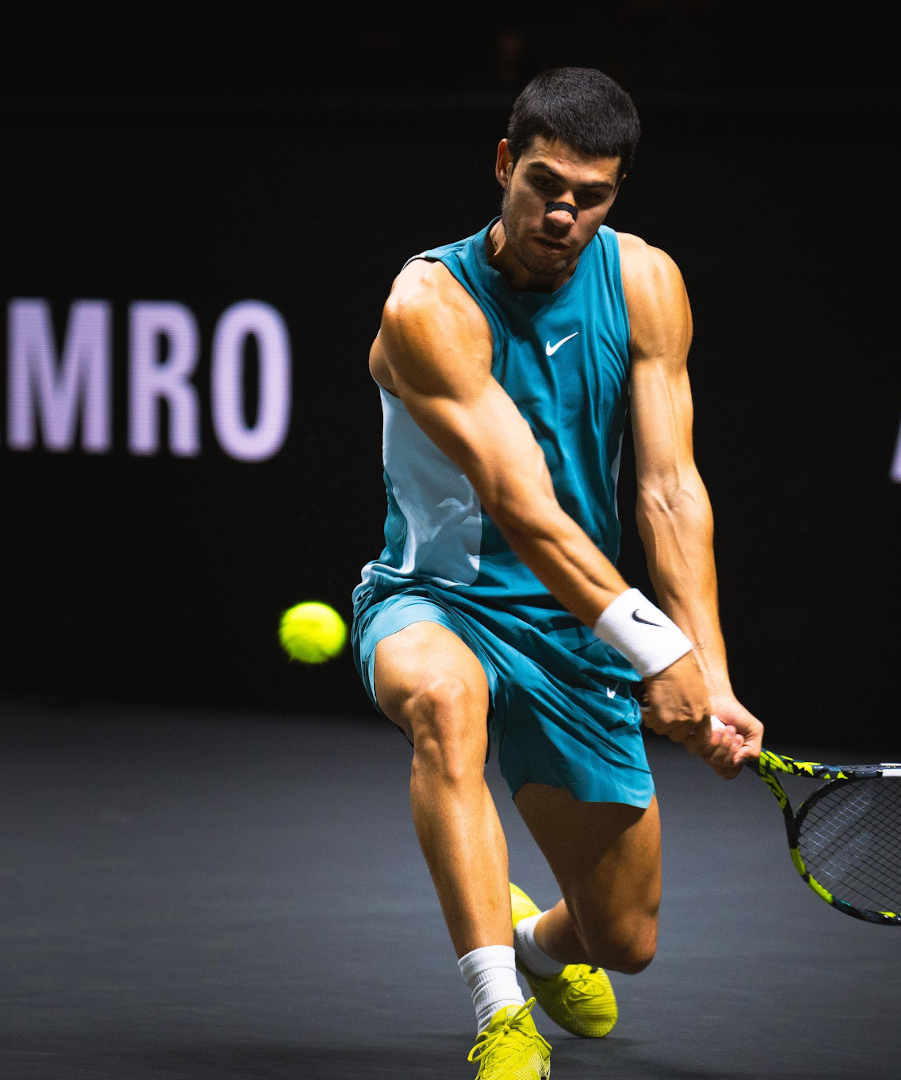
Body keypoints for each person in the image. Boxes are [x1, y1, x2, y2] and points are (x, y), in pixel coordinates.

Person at [351, 67, 767, 1079]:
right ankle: (501, 1015)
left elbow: (669, 492)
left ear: (618, 194)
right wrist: (656, 647)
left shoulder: (646, 284)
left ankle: (535, 948)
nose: (563, 213)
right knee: (445, 704)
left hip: (578, 626)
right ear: (504, 164)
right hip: (435, 600)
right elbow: (520, 504)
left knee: (624, 938)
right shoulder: (429, 304)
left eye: (592, 194)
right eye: (544, 183)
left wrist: (709, 673)